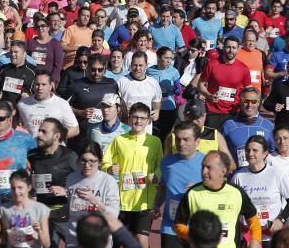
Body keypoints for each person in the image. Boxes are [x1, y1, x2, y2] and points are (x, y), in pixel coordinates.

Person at [101, 102, 162, 247]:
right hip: (122, 201)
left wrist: (156, 175)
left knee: (141, 241)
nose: (138, 121)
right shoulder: (119, 140)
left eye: (142, 118)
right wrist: (109, 169)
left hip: (144, 202)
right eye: (135, 117)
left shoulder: (154, 141)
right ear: (129, 119)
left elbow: (161, 164)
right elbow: (105, 162)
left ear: (148, 121)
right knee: (118, 242)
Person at [173, 150, 262, 248]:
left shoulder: (237, 193)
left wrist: (255, 239)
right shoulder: (192, 193)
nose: (204, 171)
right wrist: (196, 236)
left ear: (223, 171)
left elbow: (253, 219)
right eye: (203, 166)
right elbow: (178, 224)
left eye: (209, 167)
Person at [231, 135, 289, 242]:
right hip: (248, 235)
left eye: (255, 150)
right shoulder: (238, 176)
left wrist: (281, 219)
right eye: (248, 150)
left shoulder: (277, 174)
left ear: (265, 153)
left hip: (270, 235)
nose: (250, 154)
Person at [27, 118, 78, 247]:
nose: (38, 134)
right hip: (41, 216)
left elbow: (87, 183)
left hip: (64, 214)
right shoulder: (31, 156)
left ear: (56, 136)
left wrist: (66, 191)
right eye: (39, 131)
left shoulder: (69, 156)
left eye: (44, 132)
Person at [155, 120, 205, 247]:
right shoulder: (166, 163)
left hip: (198, 228)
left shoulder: (208, 163)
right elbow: (163, 187)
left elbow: (219, 192)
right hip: (170, 228)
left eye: (186, 139)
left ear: (197, 141)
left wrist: (199, 188)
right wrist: (155, 206)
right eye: (178, 139)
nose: (181, 143)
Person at [65, 141, 120, 246]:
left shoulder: (108, 181)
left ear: (99, 162)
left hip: (98, 240)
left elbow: (114, 214)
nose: (87, 165)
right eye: (83, 161)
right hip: (74, 240)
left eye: (92, 161)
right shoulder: (71, 178)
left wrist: (93, 199)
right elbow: (70, 207)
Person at [0, 102, 37, 199]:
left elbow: (37, 165)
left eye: (0, 118)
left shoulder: (25, 139)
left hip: (20, 197)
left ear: (9, 119)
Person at [0, 169, 51, 248]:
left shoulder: (40, 209)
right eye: (13, 188)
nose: (16, 192)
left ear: (29, 187)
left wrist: (39, 231)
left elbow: (47, 244)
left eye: (20, 187)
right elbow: (5, 238)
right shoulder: (4, 209)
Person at [198, 36, 252, 128]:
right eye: (228, 47)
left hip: (233, 112)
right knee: (212, 141)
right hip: (213, 111)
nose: (231, 50)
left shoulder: (243, 68)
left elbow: (249, 91)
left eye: (234, 48)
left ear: (238, 49)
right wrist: (209, 96)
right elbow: (200, 85)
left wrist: (246, 105)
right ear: (223, 47)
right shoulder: (212, 64)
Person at [222, 87, 276, 168]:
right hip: (236, 177)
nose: (249, 105)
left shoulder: (267, 126)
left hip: (260, 177)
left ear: (258, 103)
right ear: (240, 101)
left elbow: (273, 152)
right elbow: (221, 154)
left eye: (253, 101)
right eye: (246, 101)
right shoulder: (228, 125)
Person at [17, 70, 79, 139]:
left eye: (44, 84)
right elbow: (16, 125)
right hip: (31, 147)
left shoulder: (62, 104)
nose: (40, 88)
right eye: (37, 84)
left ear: (50, 86)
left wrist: (54, 138)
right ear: (33, 86)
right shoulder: (22, 103)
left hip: (53, 148)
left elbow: (75, 130)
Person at [0, 40, 37, 105]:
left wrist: (29, 97)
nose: (12, 54)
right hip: (6, 109)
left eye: (16, 52)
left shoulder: (33, 71)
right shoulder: (2, 69)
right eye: (11, 52)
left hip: (25, 109)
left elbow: (39, 94)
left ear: (24, 54)